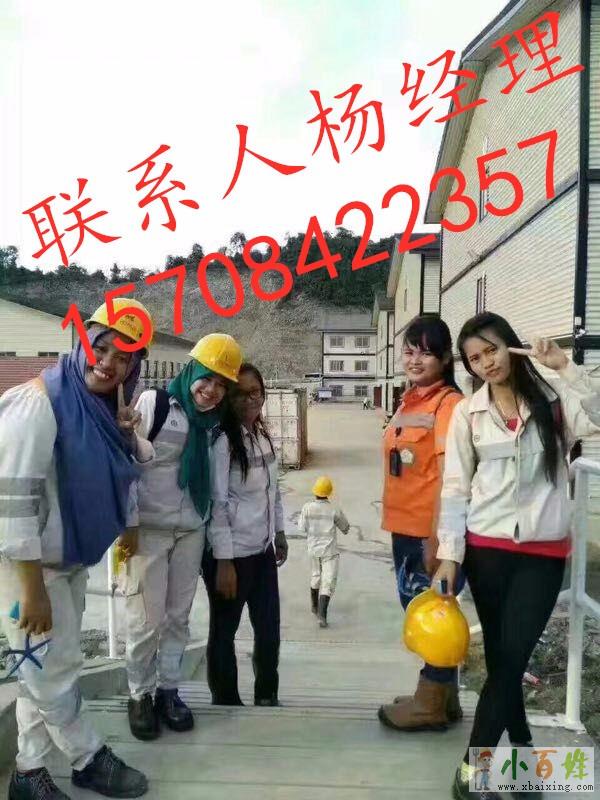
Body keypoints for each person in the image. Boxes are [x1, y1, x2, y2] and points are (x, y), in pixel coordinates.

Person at [432, 312, 600, 800]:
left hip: (543, 554)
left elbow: (598, 414)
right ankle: (523, 761)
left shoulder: (554, 399)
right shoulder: (469, 413)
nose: (486, 363)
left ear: (511, 345)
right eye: (475, 358)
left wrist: (565, 367)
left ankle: (471, 773)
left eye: (492, 350)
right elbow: (455, 488)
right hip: (486, 551)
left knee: (509, 661)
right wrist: (450, 555)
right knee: (505, 662)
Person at [0, 299, 154, 800]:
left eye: (123, 358)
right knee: (51, 671)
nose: (107, 363)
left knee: (44, 666)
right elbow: (14, 504)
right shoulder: (39, 403)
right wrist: (31, 589)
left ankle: (28, 772)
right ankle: (88, 757)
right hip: (28, 570)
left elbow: (129, 472)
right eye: (100, 347)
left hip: (67, 562)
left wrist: (127, 432)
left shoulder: (100, 411)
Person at [121, 333, 242, 741]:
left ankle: (168, 691)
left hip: (191, 533)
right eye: (207, 378)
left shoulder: (216, 429)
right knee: (145, 619)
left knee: (177, 618)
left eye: (222, 384)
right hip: (148, 533)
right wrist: (128, 526)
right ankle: (139, 694)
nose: (211, 390)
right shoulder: (155, 405)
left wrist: (222, 552)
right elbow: (128, 467)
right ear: (192, 371)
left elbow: (219, 495)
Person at [377, 315, 464, 732]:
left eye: (425, 353)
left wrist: (438, 540)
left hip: (425, 534)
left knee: (431, 616)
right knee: (427, 609)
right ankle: (445, 698)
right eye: (409, 351)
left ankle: (429, 704)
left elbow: (452, 477)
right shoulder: (411, 400)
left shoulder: (449, 405)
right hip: (405, 526)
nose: (414, 360)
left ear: (445, 358)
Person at [202, 363, 288, 707]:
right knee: (224, 632)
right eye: (240, 393)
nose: (250, 399)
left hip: (262, 551)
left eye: (255, 392)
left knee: (269, 631)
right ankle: (226, 701)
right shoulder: (222, 441)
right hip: (231, 556)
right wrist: (224, 562)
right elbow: (217, 503)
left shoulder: (262, 436)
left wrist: (279, 531)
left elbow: (273, 490)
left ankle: (267, 695)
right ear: (228, 398)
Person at [297, 475, 349, 628]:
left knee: (315, 576)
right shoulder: (334, 509)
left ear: (315, 492)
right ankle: (322, 615)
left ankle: (314, 606)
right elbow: (345, 528)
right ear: (329, 493)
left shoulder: (307, 508)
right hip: (329, 552)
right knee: (328, 581)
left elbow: (301, 528)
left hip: (313, 550)